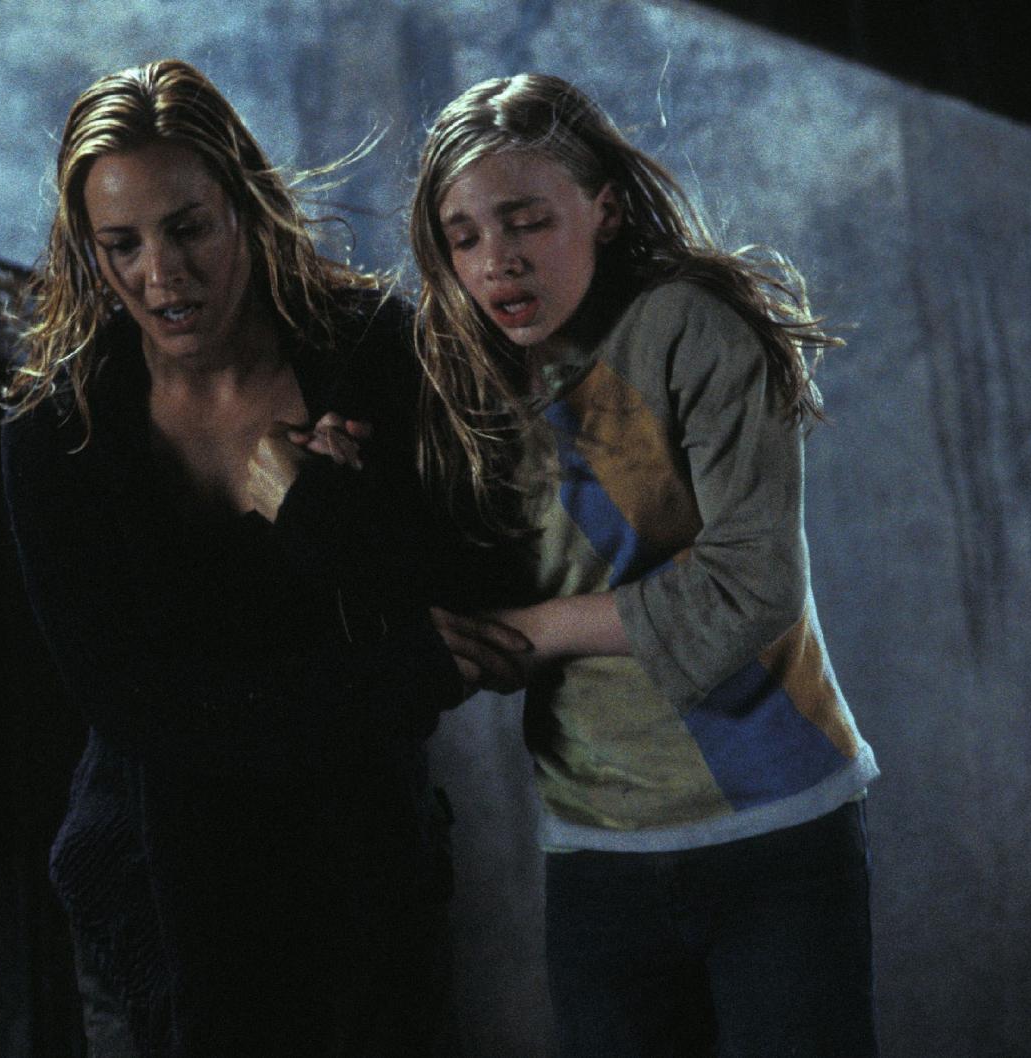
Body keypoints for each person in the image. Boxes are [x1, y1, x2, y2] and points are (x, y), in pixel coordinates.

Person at [1, 59, 526, 1057]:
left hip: (360, 866)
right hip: (152, 888)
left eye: (188, 228)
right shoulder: (57, 432)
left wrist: (312, 506)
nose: (163, 275)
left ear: (245, 204)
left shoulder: (371, 350)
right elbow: (134, 706)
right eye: (122, 245)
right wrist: (381, 676)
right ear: (88, 251)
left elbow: (472, 593)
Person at [407, 73, 882, 1057]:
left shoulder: (687, 328)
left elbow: (750, 583)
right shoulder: (462, 384)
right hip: (594, 843)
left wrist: (536, 631)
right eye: (465, 237)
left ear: (606, 209)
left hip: (776, 827)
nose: (498, 259)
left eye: (527, 220)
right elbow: (459, 609)